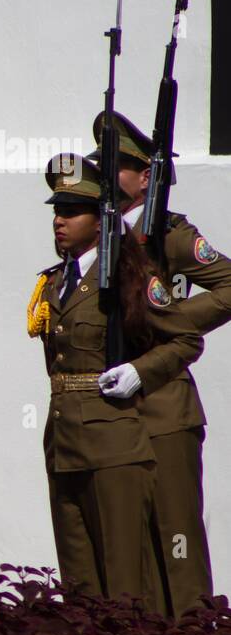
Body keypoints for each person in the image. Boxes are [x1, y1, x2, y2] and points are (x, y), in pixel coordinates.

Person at [28, 153, 203, 610]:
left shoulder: (132, 276)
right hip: (64, 440)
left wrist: (138, 373)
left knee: (126, 576)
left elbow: (184, 339)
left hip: (115, 442)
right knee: (79, 576)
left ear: (102, 215)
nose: (59, 222)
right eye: (56, 211)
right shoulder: (53, 283)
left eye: (72, 211)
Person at [88, 111, 231, 615]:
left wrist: (162, 320)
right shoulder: (94, 233)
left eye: (118, 167)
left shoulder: (169, 233)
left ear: (145, 176)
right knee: (124, 540)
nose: (105, 176)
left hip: (164, 406)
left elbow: (229, 285)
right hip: (108, 409)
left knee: (176, 536)